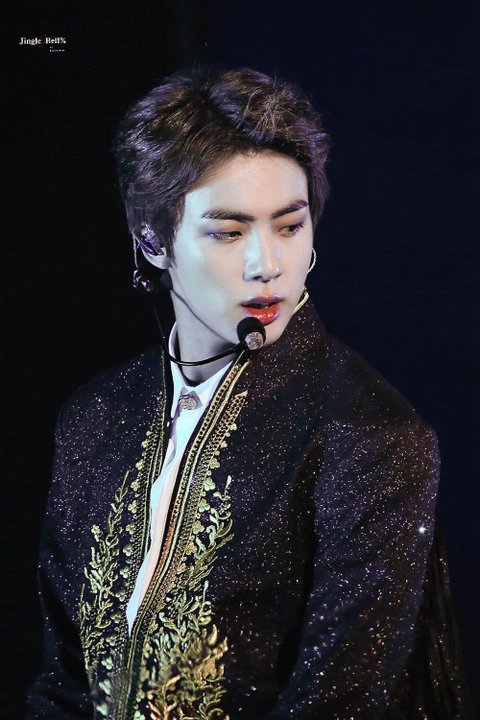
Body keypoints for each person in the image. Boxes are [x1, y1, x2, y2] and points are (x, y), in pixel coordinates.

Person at [27, 66, 469, 720]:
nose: (268, 265)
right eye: (229, 232)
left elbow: (339, 704)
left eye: (289, 226)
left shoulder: (368, 436)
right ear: (152, 240)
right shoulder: (97, 416)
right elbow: (64, 680)